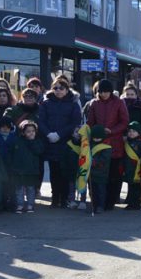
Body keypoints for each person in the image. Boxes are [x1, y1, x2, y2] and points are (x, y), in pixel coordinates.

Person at [37, 76, 82, 208]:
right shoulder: (46, 103)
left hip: (66, 143)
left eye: (61, 88)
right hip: (50, 142)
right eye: (55, 88)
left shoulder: (73, 103)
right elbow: (41, 121)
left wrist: (60, 134)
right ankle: (55, 197)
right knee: (53, 171)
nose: (58, 90)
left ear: (67, 89)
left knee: (65, 172)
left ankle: (64, 198)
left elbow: (75, 122)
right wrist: (48, 133)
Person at [86, 79, 130, 210]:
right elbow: (90, 121)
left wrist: (112, 130)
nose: (104, 94)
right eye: (101, 92)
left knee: (113, 175)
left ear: (111, 91)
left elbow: (124, 121)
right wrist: (94, 133)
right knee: (97, 172)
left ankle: (110, 201)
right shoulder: (94, 103)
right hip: (98, 143)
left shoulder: (119, 102)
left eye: (106, 92)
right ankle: (98, 201)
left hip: (115, 143)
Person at [10, 120, 44, 213]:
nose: (31, 133)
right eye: (28, 131)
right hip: (18, 170)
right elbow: (12, 155)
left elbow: (39, 151)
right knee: (19, 189)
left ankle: (30, 205)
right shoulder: (17, 141)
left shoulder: (37, 141)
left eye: (33, 131)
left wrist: (32, 141)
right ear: (23, 132)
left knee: (30, 188)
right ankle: (20, 205)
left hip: (31, 170)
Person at [123, 121, 141, 210]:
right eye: (130, 131)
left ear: (139, 133)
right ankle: (130, 203)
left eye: (134, 131)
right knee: (130, 186)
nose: (131, 133)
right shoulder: (127, 142)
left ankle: (137, 203)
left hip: (138, 169)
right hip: (129, 169)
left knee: (137, 187)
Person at [0, 119, 16, 212]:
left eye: (7, 128)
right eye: (3, 128)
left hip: (11, 164)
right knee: (1, 186)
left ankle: (13, 204)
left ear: (10, 128)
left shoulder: (14, 138)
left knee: (12, 185)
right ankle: (2, 204)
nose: (5, 129)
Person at [87, 125, 112, 215]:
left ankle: (100, 206)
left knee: (101, 191)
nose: (96, 139)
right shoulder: (89, 145)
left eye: (98, 138)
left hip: (101, 173)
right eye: (95, 137)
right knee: (92, 190)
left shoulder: (106, 147)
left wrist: (94, 162)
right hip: (91, 173)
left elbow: (104, 159)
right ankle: (94, 205)